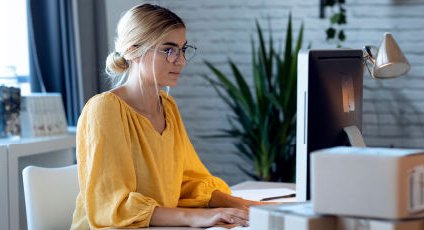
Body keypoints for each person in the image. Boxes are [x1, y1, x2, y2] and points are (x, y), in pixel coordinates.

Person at [69, 3, 273, 230]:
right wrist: (193, 217)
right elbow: (112, 206)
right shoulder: (104, 109)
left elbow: (187, 180)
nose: (181, 61)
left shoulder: (168, 107)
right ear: (134, 50)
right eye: (169, 50)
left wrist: (238, 203)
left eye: (183, 49)